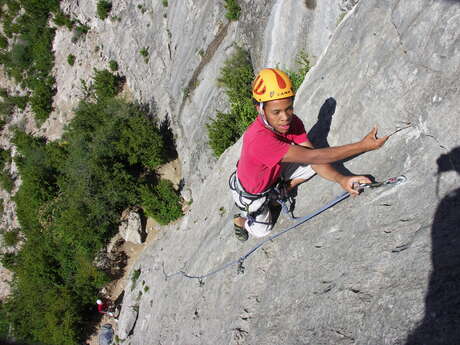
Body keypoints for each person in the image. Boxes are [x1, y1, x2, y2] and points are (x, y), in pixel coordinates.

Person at [230, 68, 389, 241]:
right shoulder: (259, 140)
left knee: (313, 164)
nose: (285, 117)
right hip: (252, 193)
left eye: (289, 108)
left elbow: (313, 156)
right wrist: (363, 146)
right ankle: (240, 221)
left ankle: (284, 189)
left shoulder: (291, 122)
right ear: (260, 109)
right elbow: (315, 157)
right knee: (262, 231)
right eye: (276, 112)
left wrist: (342, 179)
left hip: (273, 171)